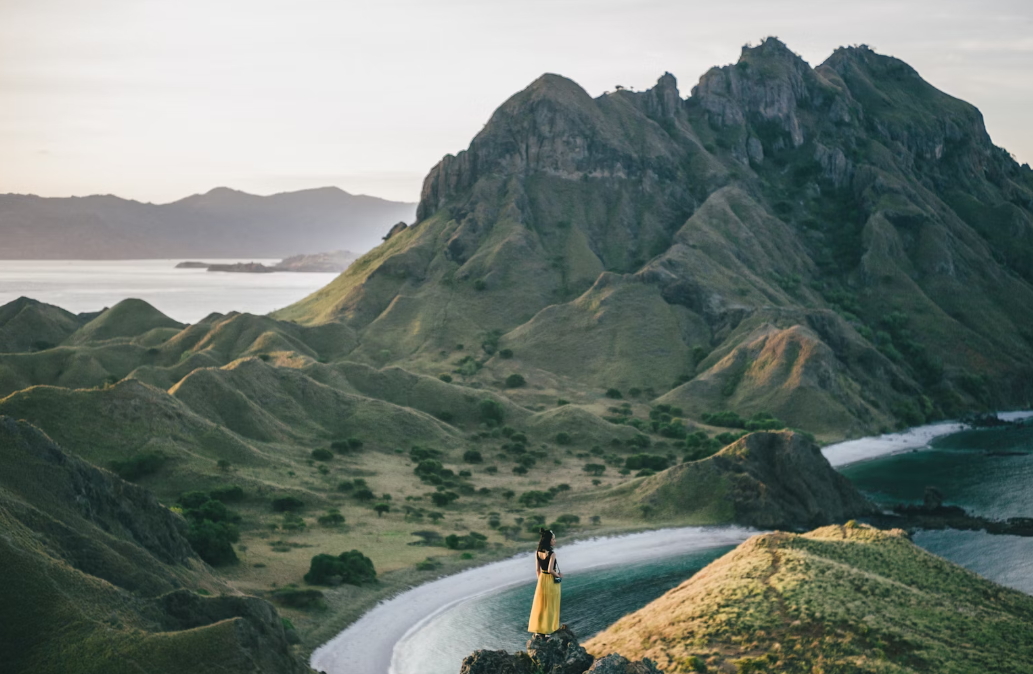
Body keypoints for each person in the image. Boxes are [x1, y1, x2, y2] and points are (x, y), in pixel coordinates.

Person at [527, 528, 562, 636]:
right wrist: (559, 575)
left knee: (541, 606)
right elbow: (551, 570)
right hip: (551, 581)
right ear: (549, 540)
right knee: (551, 605)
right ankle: (550, 629)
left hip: (542, 579)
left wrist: (541, 581)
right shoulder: (552, 554)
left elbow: (537, 570)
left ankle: (539, 629)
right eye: (553, 539)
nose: (554, 541)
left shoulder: (537, 552)